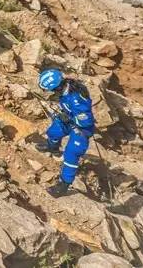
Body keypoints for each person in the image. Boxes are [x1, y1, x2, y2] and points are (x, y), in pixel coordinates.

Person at [36, 69, 97, 197]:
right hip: (69, 119)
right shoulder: (67, 88)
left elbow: (86, 121)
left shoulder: (76, 99)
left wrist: (69, 118)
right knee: (53, 131)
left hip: (82, 129)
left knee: (71, 153)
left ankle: (64, 185)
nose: (51, 93)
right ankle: (52, 147)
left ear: (57, 87)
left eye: (52, 90)